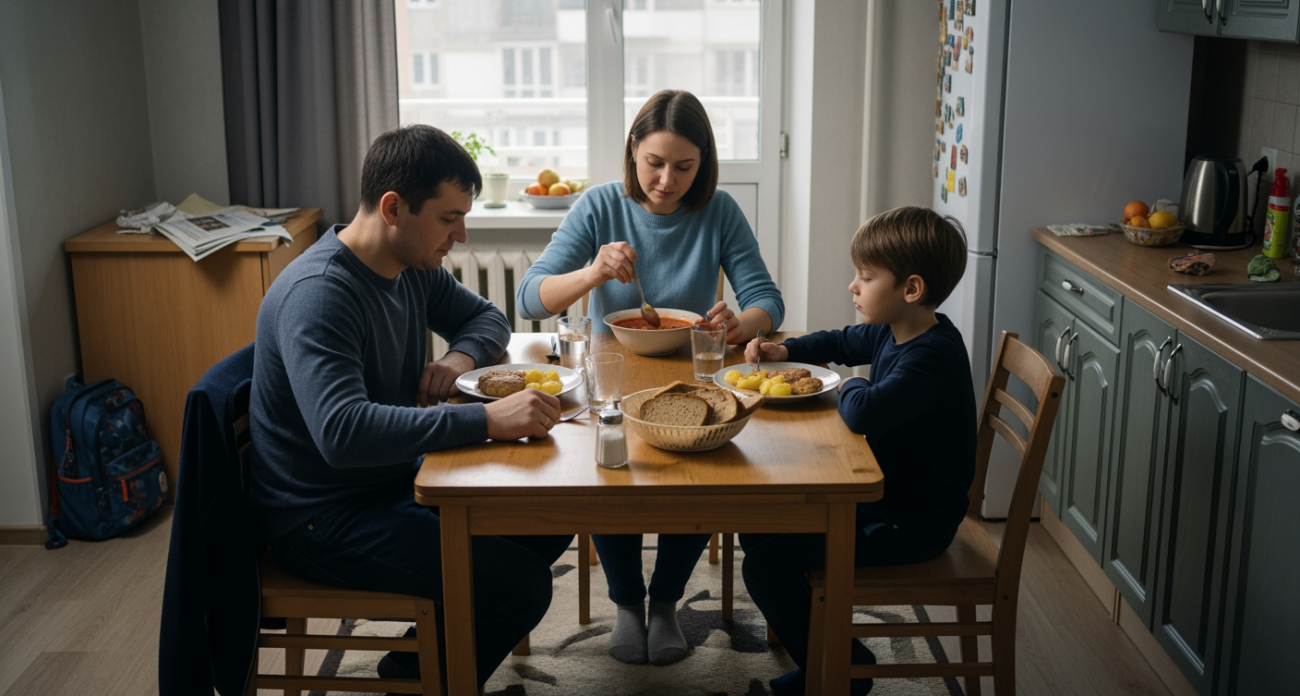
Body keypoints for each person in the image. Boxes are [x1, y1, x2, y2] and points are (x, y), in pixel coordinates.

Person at [249, 124, 573, 688]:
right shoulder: (320, 293)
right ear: (393, 207)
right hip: (322, 518)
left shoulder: (410, 270)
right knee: (518, 585)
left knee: (548, 514)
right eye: (450, 218)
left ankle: (412, 670)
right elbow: (342, 432)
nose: (462, 236)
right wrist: (484, 420)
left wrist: (458, 361)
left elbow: (489, 319)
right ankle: (414, 681)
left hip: (390, 481)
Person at [515, 89, 785, 666]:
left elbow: (767, 299)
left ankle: (664, 603)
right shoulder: (598, 206)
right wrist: (591, 272)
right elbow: (529, 297)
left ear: (704, 163)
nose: (667, 180)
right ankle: (628, 607)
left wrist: (740, 323)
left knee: (700, 469)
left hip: (692, 382)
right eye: (655, 163)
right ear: (633, 150)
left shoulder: (719, 211)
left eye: (684, 167)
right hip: (610, 378)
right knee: (609, 471)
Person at [738, 206, 977, 696]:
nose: (853, 286)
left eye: (866, 277)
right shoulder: (901, 330)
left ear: (910, 289)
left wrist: (848, 382)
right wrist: (791, 350)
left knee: (763, 566)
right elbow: (846, 339)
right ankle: (828, 654)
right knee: (757, 528)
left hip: (909, 524)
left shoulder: (932, 356)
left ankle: (844, 671)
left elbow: (864, 412)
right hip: (885, 504)